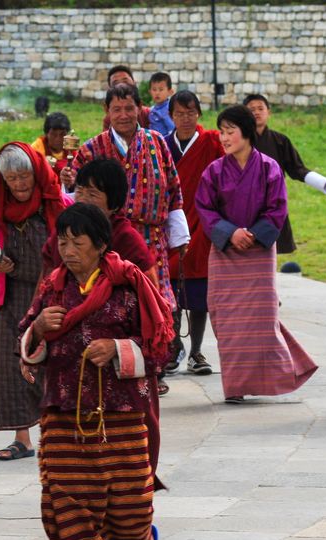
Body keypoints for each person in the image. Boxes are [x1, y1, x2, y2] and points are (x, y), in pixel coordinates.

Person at [18, 203, 173, 540]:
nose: (67, 251)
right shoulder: (52, 287)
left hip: (120, 416)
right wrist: (38, 330)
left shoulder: (129, 285)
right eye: (62, 242)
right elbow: (29, 349)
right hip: (63, 414)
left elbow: (160, 348)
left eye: (77, 242)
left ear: (100, 245)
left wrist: (120, 349)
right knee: (63, 503)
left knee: (130, 504)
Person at [62, 83, 189, 395]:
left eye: (129, 108)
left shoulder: (157, 142)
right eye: (116, 109)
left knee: (156, 303)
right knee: (114, 304)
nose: (123, 115)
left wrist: (180, 236)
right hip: (107, 239)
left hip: (151, 240)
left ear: (140, 109)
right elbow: (74, 194)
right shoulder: (92, 148)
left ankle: (154, 367)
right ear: (107, 112)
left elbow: (173, 190)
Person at [195, 105, 318, 403]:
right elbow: (205, 208)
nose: (224, 138)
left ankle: (275, 375)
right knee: (227, 317)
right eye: (221, 132)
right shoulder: (214, 171)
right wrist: (230, 233)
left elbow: (278, 208)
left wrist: (253, 234)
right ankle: (235, 386)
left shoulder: (269, 168)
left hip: (259, 253)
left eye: (230, 132)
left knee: (263, 317)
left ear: (246, 133)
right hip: (225, 252)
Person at [0, 143, 68, 461]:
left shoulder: (55, 206)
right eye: (12, 179)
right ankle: (22, 437)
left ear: (36, 173)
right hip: (13, 299)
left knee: (56, 364)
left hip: (51, 298)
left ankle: (63, 434)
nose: (20, 184)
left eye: (24, 176)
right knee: (12, 366)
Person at [165, 90, 224, 376]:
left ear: (199, 114)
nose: (185, 119)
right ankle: (175, 346)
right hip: (173, 223)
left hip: (202, 224)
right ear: (171, 117)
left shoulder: (212, 142)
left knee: (200, 292)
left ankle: (197, 351)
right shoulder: (163, 146)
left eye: (190, 113)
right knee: (171, 290)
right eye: (179, 114)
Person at [243, 93, 315, 254]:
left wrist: (317, 180)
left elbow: (296, 168)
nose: (256, 112)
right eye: (251, 109)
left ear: (269, 112)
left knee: (272, 250)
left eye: (260, 108)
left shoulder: (280, 140)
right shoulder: (240, 141)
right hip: (246, 202)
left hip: (273, 202)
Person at [102, 65, 150, 131]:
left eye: (125, 81)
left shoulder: (149, 114)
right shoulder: (109, 119)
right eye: (116, 83)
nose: (123, 116)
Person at [31, 112, 71, 177]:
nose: (58, 139)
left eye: (62, 134)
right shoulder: (37, 147)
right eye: (53, 134)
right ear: (46, 134)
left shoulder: (71, 146)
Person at [147, 72, 175, 138]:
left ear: (170, 92)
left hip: (164, 142)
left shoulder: (168, 109)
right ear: (150, 92)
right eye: (154, 90)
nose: (157, 93)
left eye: (161, 90)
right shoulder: (153, 109)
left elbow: (172, 128)